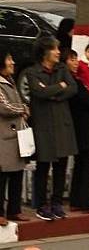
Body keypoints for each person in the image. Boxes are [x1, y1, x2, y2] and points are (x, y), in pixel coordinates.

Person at [27, 36, 78, 221]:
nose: (58, 52)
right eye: (55, 49)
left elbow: (73, 88)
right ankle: (41, 205)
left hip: (62, 124)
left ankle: (57, 202)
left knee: (61, 165)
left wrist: (52, 92)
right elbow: (38, 92)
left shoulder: (62, 69)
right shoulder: (33, 72)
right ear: (45, 51)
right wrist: (59, 87)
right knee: (43, 166)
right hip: (44, 126)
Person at [65, 50, 89, 213]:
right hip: (83, 127)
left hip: (79, 127)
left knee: (80, 163)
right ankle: (88, 202)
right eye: (71, 59)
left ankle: (76, 200)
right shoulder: (72, 81)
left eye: (76, 59)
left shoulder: (72, 79)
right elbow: (88, 101)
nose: (75, 62)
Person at [0, 46, 29, 224]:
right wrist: (23, 109)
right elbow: (4, 107)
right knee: (2, 176)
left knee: (17, 173)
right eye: (9, 59)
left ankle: (14, 210)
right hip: (3, 138)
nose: (13, 62)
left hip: (15, 136)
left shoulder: (9, 80)